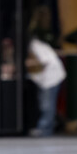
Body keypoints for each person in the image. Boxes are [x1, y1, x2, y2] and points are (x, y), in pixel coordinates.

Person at [26, 8, 67, 137]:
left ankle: (44, 129)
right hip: (45, 78)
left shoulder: (36, 45)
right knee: (43, 103)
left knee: (48, 105)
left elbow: (44, 61)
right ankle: (44, 127)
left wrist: (30, 63)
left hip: (52, 77)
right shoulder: (34, 42)